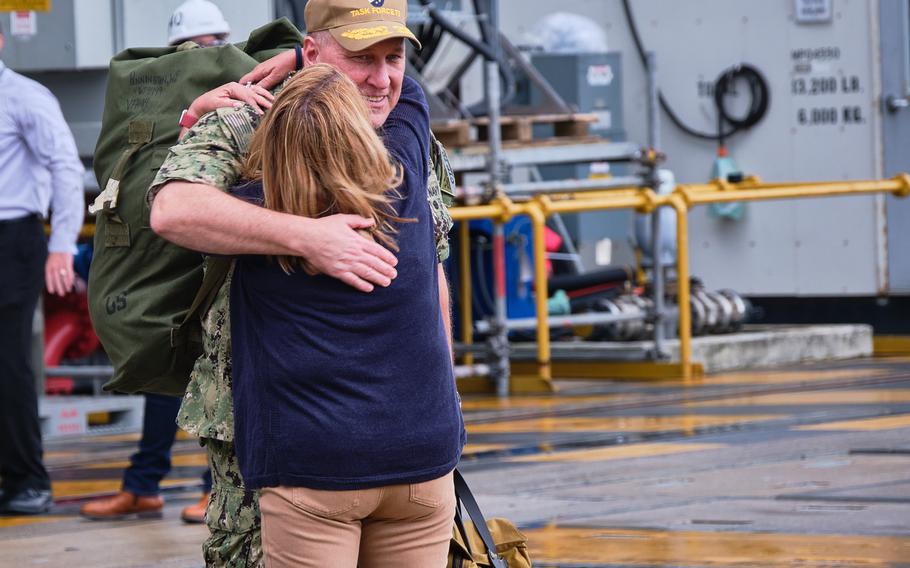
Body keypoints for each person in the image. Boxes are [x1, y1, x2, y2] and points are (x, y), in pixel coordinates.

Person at [149, 1, 455, 564]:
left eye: (393, 58)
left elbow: (177, 212)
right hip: (420, 447)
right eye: (361, 57)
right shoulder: (401, 141)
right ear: (314, 52)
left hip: (312, 460)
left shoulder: (268, 193)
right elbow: (175, 210)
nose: (382, 78)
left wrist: (299, 234)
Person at [231, 61, 463, 568]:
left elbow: (170, 208)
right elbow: (410, 94)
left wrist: (196, 114)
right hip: (421, 461)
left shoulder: (253, 220)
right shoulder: (404, 179)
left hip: (314, 466)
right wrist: (303, 57)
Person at [78, 0, 252, 524]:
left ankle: (210, 487)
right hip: (170, 252)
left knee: (216, 372)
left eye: (206, 48)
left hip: (217, 258)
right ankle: (144, 483)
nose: (196, 58)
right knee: (165, 365)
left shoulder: (245, 93)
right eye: (189, 49)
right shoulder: (160, 101)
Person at [0, 21, 84, 515]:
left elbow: (65, 167)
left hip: (12, 238)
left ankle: (28, 479)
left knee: (7, 361)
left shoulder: (24, 97)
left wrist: (63, 245)